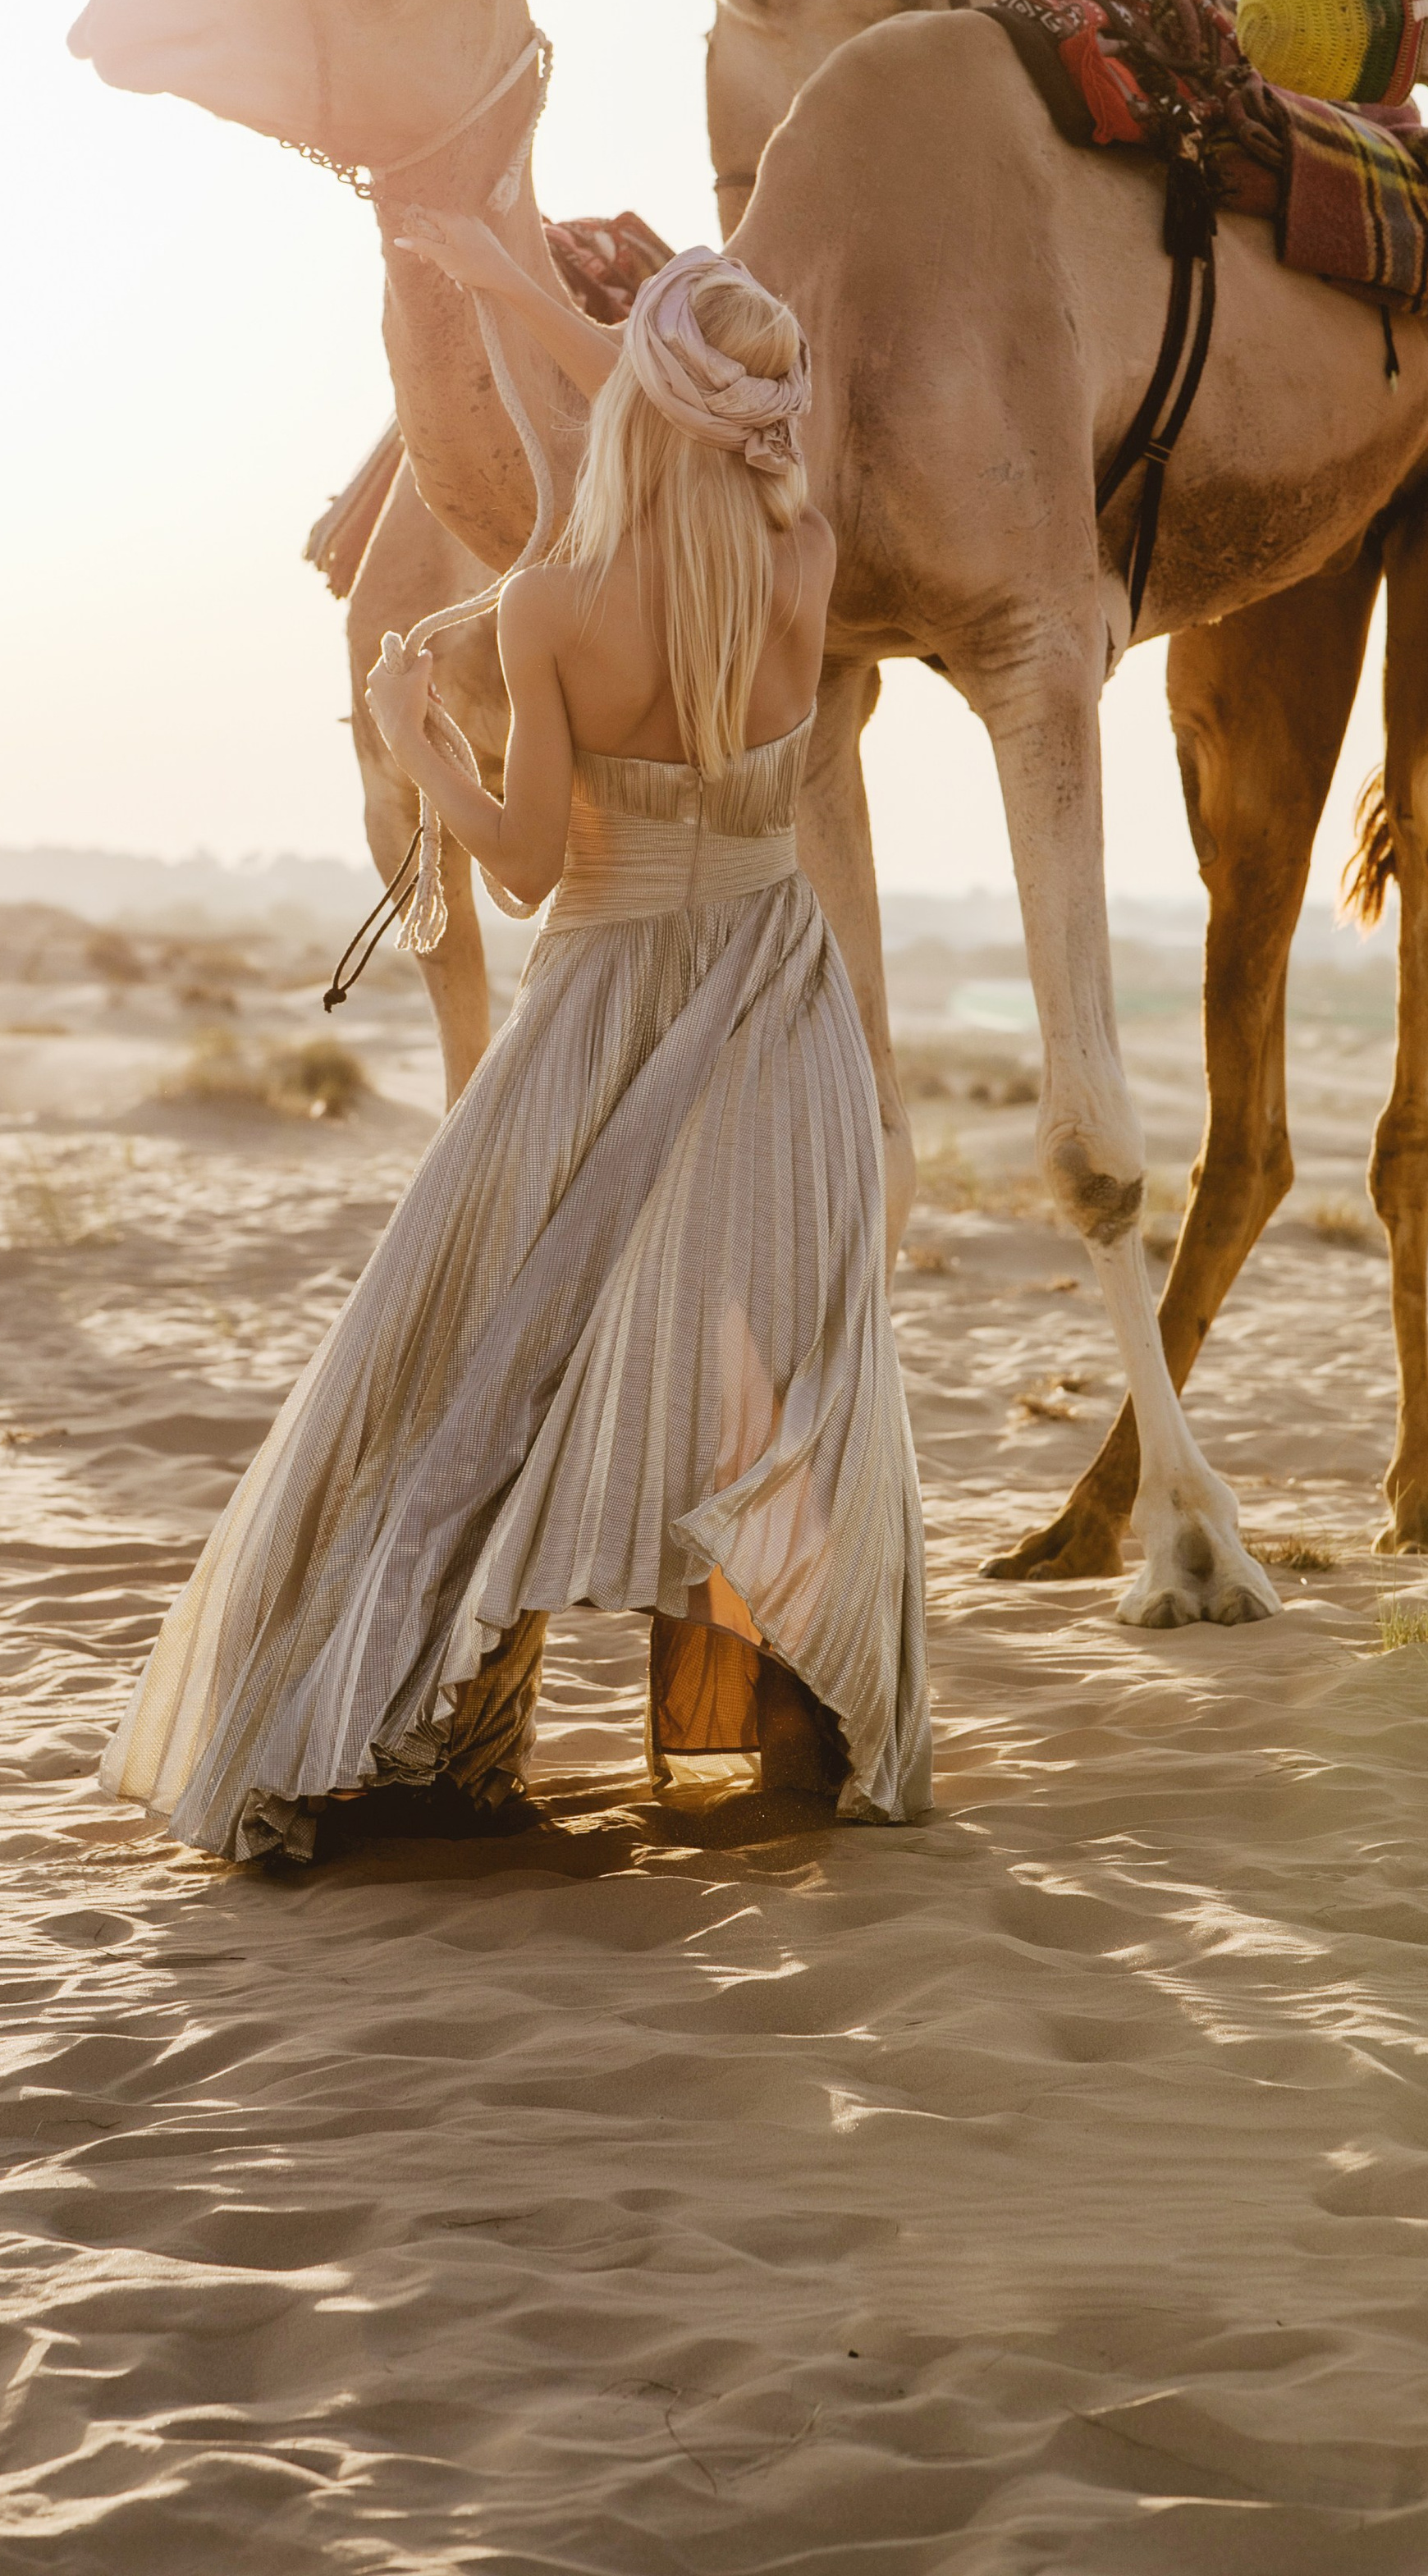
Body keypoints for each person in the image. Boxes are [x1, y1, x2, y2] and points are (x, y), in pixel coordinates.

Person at [102, 240, 929, 1860]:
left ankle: (435, 1738)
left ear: (638, 401)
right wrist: (554, 312)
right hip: (780, 1001)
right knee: (764, 1376)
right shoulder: (806, 557)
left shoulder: (557, 607)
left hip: (602, 1006)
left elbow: (527, 870)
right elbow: (694, 427)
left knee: (479, 1357)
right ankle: (761, 1742)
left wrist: (422, 742)